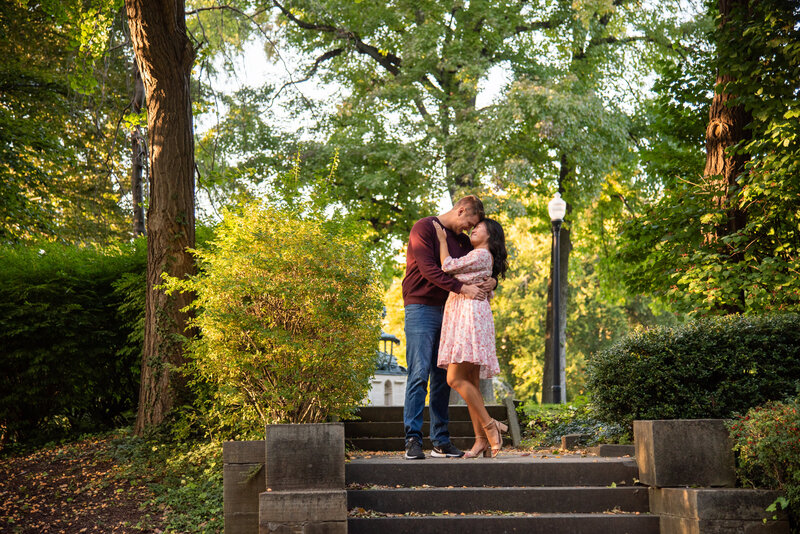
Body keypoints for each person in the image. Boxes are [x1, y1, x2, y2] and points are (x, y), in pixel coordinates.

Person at [401, 195, 496, 460]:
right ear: (461, 210)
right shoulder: (425, 228)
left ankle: (441, 440)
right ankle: (413, 439)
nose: (469, 228)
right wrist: (462, 288)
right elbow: (430, 269)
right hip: (421, 306)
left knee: (443, 376)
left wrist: (493, 281)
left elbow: (480, 263)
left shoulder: (464, 242)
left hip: (452, 311)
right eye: (470, 222)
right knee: (419, 372)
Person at [433, 217, 509, 458]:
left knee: (454, 379)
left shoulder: (480, 254)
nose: (473, 230)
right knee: (472, 385)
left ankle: (490, 427)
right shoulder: (481, 256)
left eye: (478, 227)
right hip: (467, 313)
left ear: (490, 235)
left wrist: (442, 239)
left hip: (469, 316)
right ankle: (480, 442)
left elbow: (447, 266)